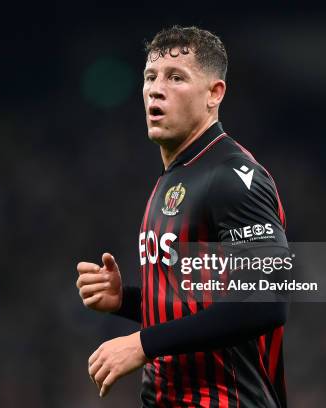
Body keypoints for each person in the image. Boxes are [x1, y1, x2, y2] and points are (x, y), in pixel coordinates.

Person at [76, 25, 289, 407]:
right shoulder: (175, 177)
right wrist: (124, 300)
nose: (156, 89)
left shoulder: (232, 176)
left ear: (214, 94)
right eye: (150, 77)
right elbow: (198, 306)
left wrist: (144, 343)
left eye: (176, 78)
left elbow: (265, 300)